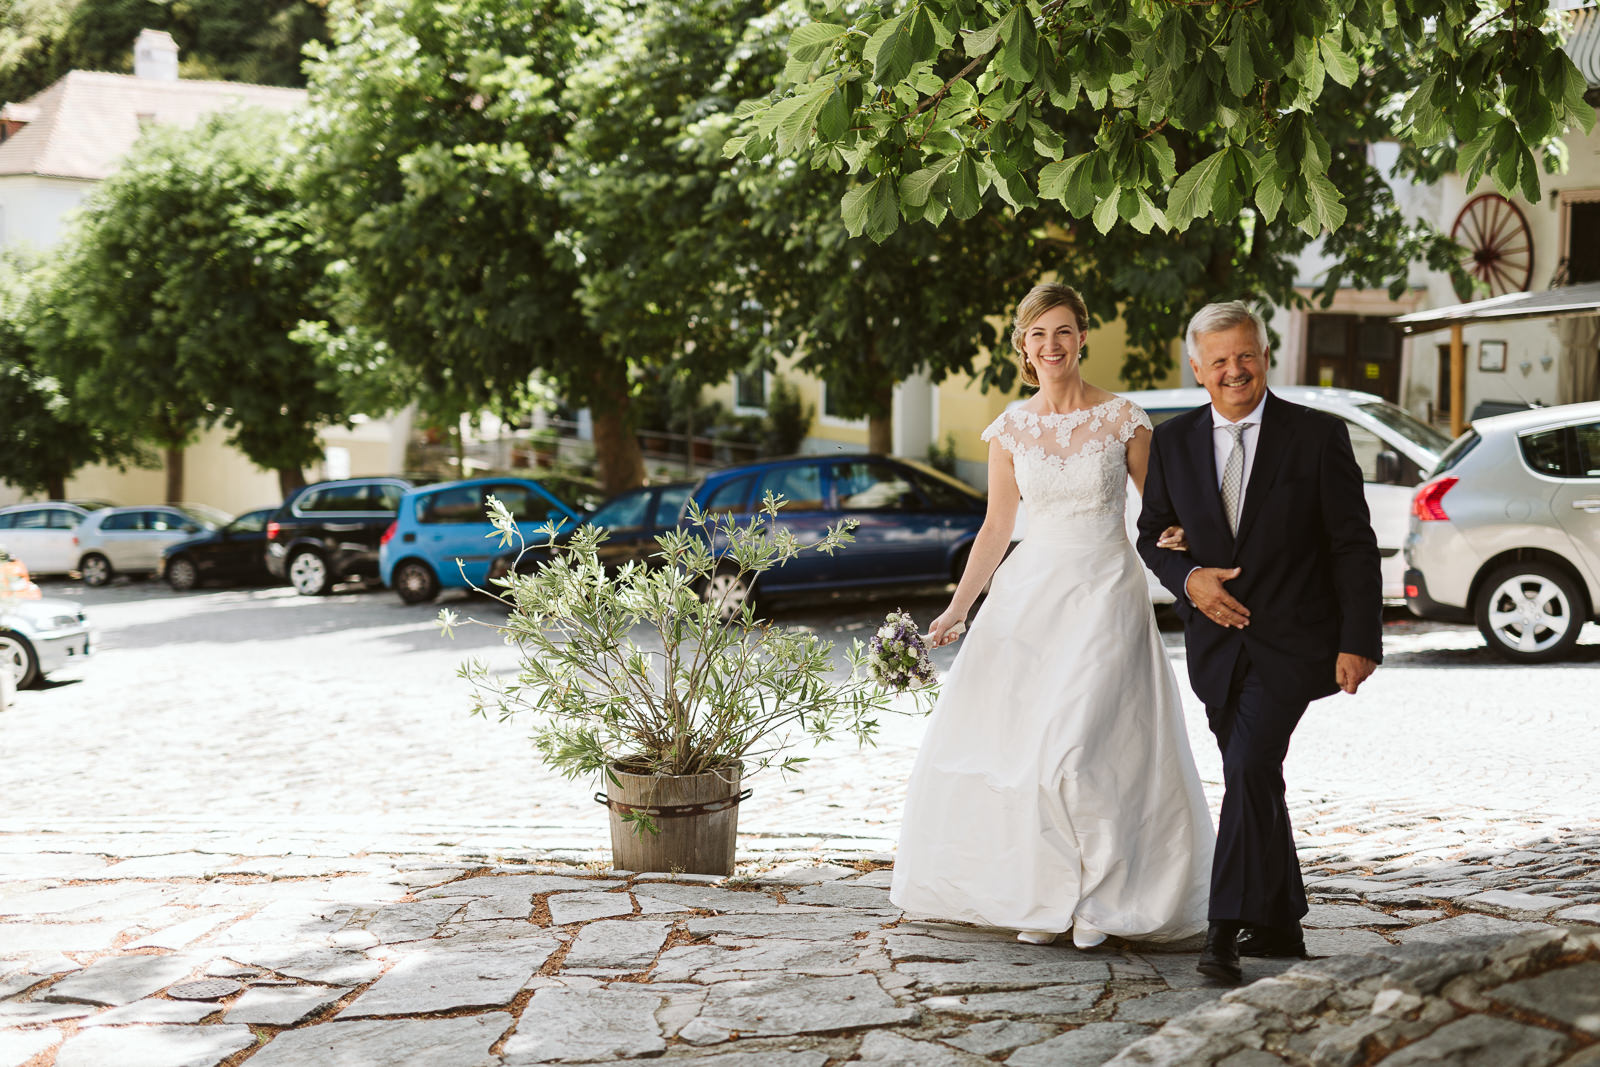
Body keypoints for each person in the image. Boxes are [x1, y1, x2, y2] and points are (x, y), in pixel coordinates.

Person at [889, 282, 1214, 950]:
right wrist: (957, 609)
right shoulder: (1010, 428)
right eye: (1038, 334)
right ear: (1023, 345)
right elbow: (995, 528)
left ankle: (1103, 900)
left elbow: (1158, 515)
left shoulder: (1125, 418)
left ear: (1083, 336)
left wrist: (1184, 543)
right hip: (1030, 597)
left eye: (1063, 331)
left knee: (1083, 746)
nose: (1051, 345)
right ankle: (1046, 895)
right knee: (1031, 755)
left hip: (1105, 593)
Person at [1135, 300, 1382, 985]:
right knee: (1256, 774)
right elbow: (1153, 534)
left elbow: (1352, 545)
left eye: (1245, 356)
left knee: (1245, 767)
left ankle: (1223, 929)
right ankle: (1280, 918)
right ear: (1196, 367)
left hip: (1295, 642)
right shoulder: (1175, 442)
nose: (1234, 370)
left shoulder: (1317, 436)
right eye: (1219, 361)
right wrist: (1189, 581)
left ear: (1265, 356)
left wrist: (1359, 639)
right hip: (1214, 648)